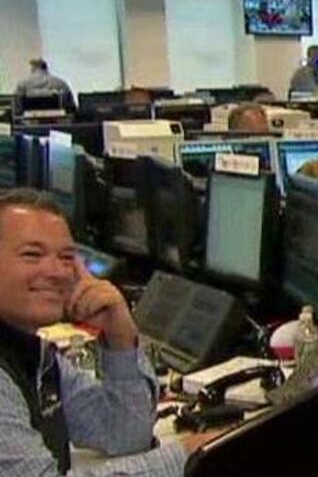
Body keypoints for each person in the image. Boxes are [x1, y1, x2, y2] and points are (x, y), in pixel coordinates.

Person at [0, 189, 219, 476]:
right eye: (32, 254)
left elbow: (124, 434)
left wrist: (120, 337)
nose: (57, 272)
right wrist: (189, 455)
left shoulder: (35, 355)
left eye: (66, 257)